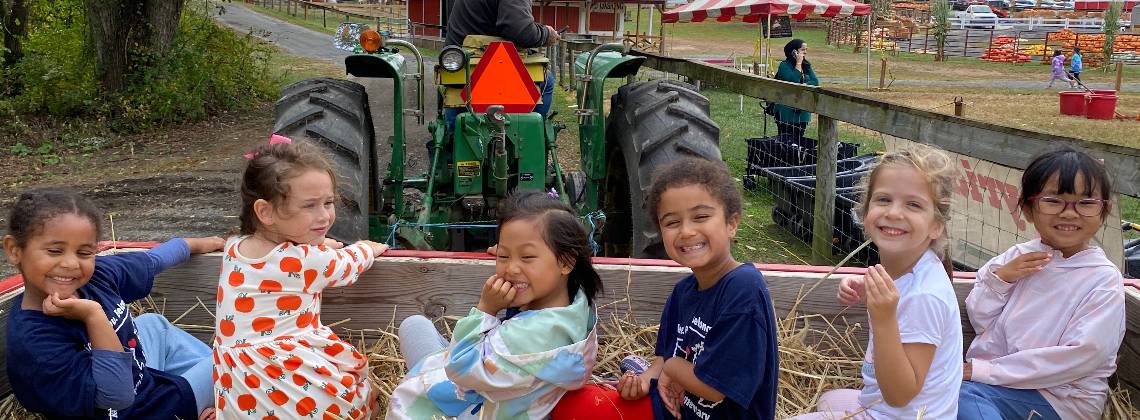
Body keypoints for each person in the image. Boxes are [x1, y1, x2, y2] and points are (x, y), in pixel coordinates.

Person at [3, 188, 223, 420]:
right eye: (55, 251)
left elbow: (153, 260)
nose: (71, 263)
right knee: (236, 363)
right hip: (147, 411)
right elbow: (117, 396)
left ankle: (218, 397)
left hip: (144, 384)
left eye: (84, 253)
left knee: (153, 324)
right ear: (14, 250)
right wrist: (93, 316)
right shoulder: (35, 342)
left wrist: (203, 243)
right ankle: (224, 399)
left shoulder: (96, 276)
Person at [387, 190, 604, 419]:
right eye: (504, 256)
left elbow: (459, 367)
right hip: (503, 390)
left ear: (566, 262)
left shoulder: (533, 336)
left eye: (527, 257)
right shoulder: (573, 303)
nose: (511, 269)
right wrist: (516, 252)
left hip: (470, 407)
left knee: (414, 330)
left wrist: (486, 309)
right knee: (416, 326)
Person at [213, 139, 389, 418]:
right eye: (310, 206)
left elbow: (291, 257)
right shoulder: (306, 261)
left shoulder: (235, 246)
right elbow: (346, 264)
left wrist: (318, 244)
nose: (324, 216)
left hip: (243, 385)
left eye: (328, 203)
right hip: (285, 374)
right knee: (369, 400)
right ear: (265, 211)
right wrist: (367, 248)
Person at [790, 144, 964, 419]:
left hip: (899, 413)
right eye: (883, 199)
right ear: (865, 210)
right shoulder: (911, 267)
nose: (893, 212)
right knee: (829, 400)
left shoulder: (925, 295)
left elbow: (900, 395)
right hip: (886, 406)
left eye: (913, 204)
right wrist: (867, 291)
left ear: (936, 225)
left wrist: (884, 318)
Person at [959, 146, 1124, 420]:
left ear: (1103, 211)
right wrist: (1001, 280)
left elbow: (1081, 355)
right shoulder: (1017, 258)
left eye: (1085, 203)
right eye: (1053, 201)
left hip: (1059, 398)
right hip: (996, 385)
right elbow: (980, 319)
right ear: (1028, 208)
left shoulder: (1102, 279)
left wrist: (983, 371)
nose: (1069, 213)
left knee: (961, 396)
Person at [614, 158, 779, 419]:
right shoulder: (683, 292)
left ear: (732, 224)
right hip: (677, 411)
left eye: (701, 217)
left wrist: (672, 368)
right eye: (671, 222)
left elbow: (714, 388)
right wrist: (645, 380)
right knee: (582, 403)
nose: (686, 231)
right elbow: (664, 357)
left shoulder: (743, 289)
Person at [443, 0, 560, 120]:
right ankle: (535, 127)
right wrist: (546, 34)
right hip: (481, 60)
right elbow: (521, 31)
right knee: (547, 80)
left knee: (457, 85)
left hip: (458, 59)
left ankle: (452, 125)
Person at [772, 39, 819, 144]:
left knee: (797, 141)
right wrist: (798, 63)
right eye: (803, 50)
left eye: (806, 49)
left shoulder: (806, 65)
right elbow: (793, 81)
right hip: (786, 112)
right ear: (794, 51)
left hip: (802, 112)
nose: (805, 52)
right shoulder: (784, 66)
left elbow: (815, 82)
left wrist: (804, 85)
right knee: (785, 141)